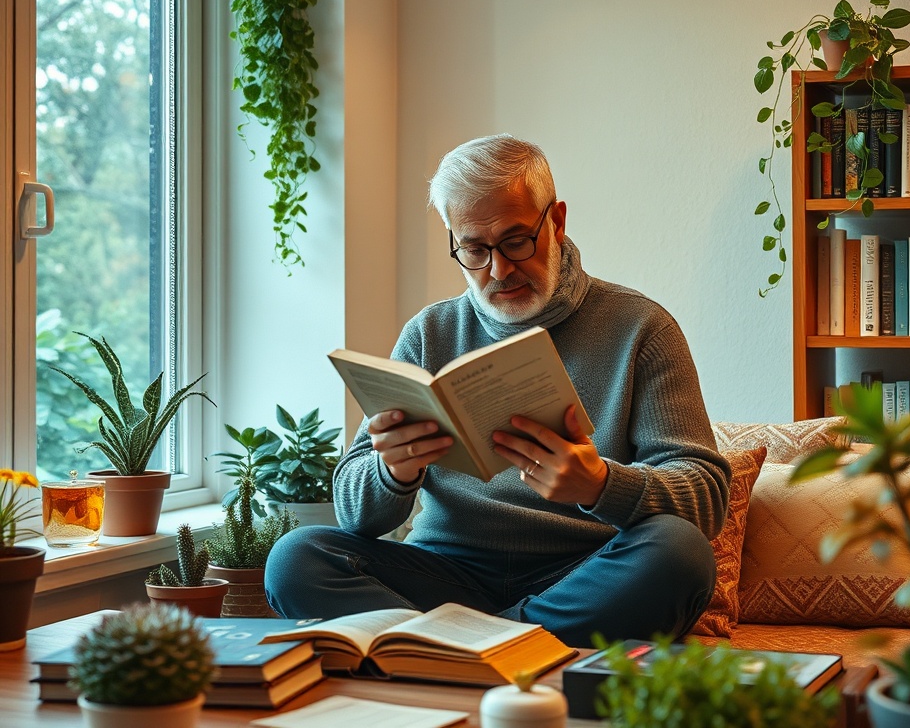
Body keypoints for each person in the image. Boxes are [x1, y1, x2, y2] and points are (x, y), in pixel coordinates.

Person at [265, 134, 730, 647]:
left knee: (680, 553)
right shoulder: (429, 334)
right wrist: (392, 471)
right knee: (296, 559)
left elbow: (707, 496)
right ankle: (516, 647)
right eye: (474, 249)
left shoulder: (641, 328)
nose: (499, 270)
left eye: (515, 241)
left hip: (584, 576)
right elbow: (355, 514)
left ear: (556, 221)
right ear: (453, 239)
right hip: (447, 575)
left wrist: (601, 486)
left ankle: (456, 650)